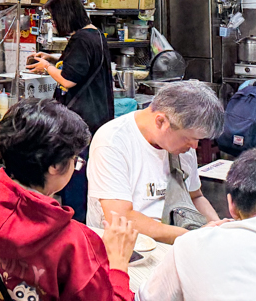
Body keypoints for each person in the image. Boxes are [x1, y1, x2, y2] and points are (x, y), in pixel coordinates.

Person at [0, 98, 138, 301]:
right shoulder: (73, 242)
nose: (76, 166)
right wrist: (118, 264)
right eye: (74, 160)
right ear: (56, 166)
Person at [136, 147, 256, 300]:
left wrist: (201, 237)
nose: (194, 144)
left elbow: (145, 298)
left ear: (231, 205)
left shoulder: (194, 246)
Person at [87, 80, 225, 244]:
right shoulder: (112, 142)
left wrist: (217, 230)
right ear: (161, 122)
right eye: (189, 139)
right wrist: (193, 237)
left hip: (178, 240)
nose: (194, 147)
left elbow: (195, 196)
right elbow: (121, 217)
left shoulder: (184, 146)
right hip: (127, 250)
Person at [28, 0, 114, 222]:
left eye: (54, 18)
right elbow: (80, 65)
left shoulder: (81, 40)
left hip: (81, 118)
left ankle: (75, 223)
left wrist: (47, 67)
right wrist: (54, 58)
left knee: (75, 174)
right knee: (86, 174)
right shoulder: (94, 34)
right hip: (97, 116)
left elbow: (68, 79)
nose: (54, 23)